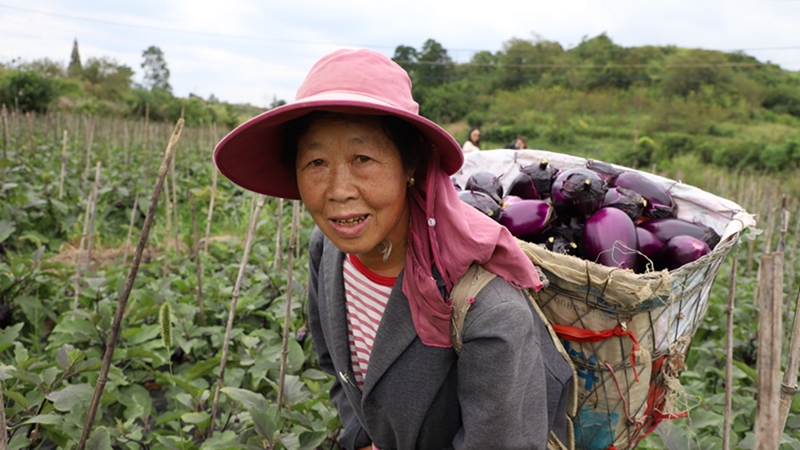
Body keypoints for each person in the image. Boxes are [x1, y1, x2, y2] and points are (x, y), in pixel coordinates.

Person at [214, 49, 573, 450]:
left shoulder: (488, 310)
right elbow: (338, 370)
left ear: (411, 165)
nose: (339, 190)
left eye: (363, 158)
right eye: (316, 162)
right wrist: (362, 437)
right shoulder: (327, 252)